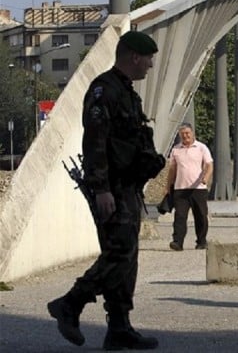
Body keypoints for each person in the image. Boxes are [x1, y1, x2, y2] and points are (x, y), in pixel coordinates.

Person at [47, 31, 163, 350]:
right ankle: (70, 303)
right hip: (110, 188)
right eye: (148, 58)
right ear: (134, 57)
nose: (151, 65)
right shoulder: (104, 90)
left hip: (127, 186)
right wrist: (101, 189)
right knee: (119, 254)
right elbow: (95, 142)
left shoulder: (127, 93)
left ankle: (120, 326)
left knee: (127, 257)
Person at [164, 122, 214, 251]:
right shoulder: (176, 150)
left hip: (198, 189)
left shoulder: (202, 148)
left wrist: (206, 178)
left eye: (187, 133)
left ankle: (201, 241)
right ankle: (177, 242)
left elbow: (209, 165)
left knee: (201, 216)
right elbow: (172, 170)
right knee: (180, 217)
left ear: (193, 134)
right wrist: (167, 186)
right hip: (180, 189)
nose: (185, 136)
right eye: (182, 134)